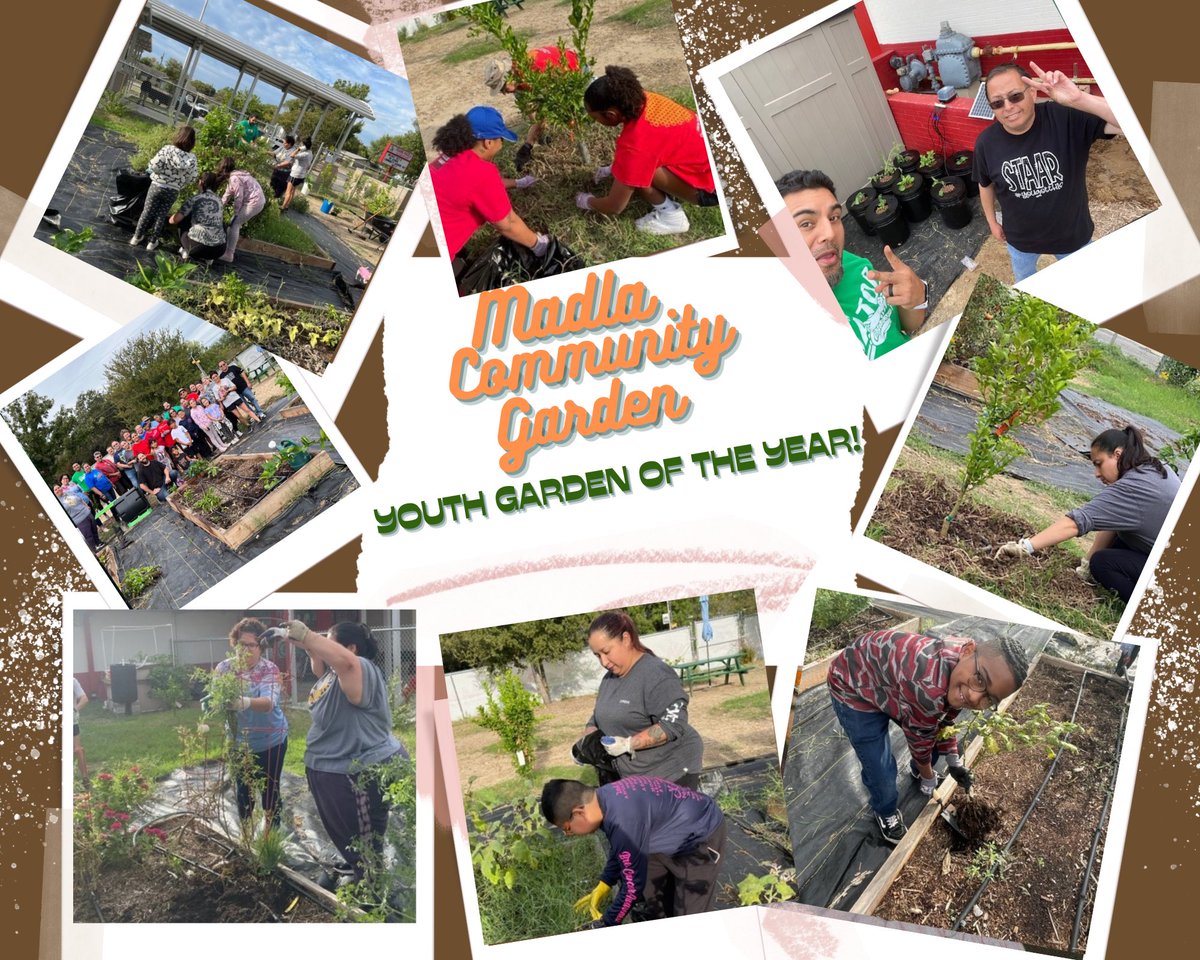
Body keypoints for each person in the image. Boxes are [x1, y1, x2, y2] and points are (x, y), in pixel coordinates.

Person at [827, 630, 1029, 844]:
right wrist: (928, 775)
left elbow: (944, 720)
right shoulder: (928, 684)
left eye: (989, 698)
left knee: (931, 742)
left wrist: (954, 761)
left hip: (894, 684)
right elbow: (919, 737)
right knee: (880, 770)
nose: (974, 696)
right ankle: (885, 811)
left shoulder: (965, 667)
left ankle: (918, 770)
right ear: (968, 651)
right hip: (853, 684)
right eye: (980, 679)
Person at [282, 619, 408, 883]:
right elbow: (322, 670)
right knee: (352, 835)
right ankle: (358, 867)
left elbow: (347, 664)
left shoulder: (360, 667)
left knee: (364, 839)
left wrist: (308, 635)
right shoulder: (334, 673)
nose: (324, 646)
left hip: (358, 770)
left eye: (330, 642)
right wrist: (310, 648)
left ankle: (372, 886)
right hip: (333, 766)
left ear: (351, 648)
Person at [995, 425, 1181, 603]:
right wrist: (1085, 565)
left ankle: (1157, 608)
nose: (1096, 474)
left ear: (1118, 454)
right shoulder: (1154, 468)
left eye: (1099, 464)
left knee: (1103, 563)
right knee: (1109, 550)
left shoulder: (1134, 488)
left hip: (1179, 578)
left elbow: (1075, 523)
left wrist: (1025, 547)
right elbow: (1113, 519)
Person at [973, 61, 1121, 283]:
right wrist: (992, 222)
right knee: (1026, 284)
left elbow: (1133, 122)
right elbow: (985, 184)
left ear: (1032, 92)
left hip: (1072, 237)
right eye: (997, 102)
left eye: (1015, 96)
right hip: (1021, 242)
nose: (1008, 107)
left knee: (1087, 284)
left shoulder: (1065, 117)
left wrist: (1080, 100)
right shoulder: (986, 143)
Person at [774, 169, 928, 359]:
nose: (830, 233)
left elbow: (903, 326)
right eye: (806, 223)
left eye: (833, 218)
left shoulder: (847, 262)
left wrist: (917, 299)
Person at [540, 775, 726, 926]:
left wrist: (606, 923)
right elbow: (622, 848)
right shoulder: (604, 798)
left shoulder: (623, 819)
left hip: (699, 836)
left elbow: (632, 887)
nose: (568, 834)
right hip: (661, 833)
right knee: (655, 901)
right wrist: (606, 882)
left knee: (691, 919)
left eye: (567, 828)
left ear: (579, 813)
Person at [576, 66, 719, 236]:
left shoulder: (634, 144)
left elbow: (614, 206)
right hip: (718, 160)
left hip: (713, 190)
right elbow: (651, 145)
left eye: (595, 117)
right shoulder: (646, 99)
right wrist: (616, 168)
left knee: (636, 172)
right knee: (635, 166)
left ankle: (672, 217)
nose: (595, 121)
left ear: (611, 114)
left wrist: (587, 201)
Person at [575, 611, 704, 789]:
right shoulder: (609, 679)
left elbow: (673, 724)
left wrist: (628, 744)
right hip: (633, 775)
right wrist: (587, 741)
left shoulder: (656, 674)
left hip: (670, 772)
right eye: (597, 655)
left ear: (626, 639)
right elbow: (598, 716)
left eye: (606, 652)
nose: (603, 662)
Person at [429, 107, 546, 273]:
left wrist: (518, 183)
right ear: (488, 142)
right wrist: (537, 244)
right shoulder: (481, 172)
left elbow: (471, 186)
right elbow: (508, 224)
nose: (501, 144)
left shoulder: (449, 155)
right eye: (501, 139)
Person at [214, 618, 289, 830]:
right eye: (241, 644)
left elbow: (269, 703)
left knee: (270, 791)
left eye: (251, 645)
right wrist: (215, 702)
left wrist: (243, 702)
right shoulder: (224, 668)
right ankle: (246, 833)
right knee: (243, 791)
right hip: (238, 742)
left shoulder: (269, 670)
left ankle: (271, 836)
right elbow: (217, 697)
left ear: (260, 647)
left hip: (271, 740)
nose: (245, 650)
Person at [482, 47, 583, 171]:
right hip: (551, 78)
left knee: (576, 115)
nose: (503, 93)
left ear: (508, 77)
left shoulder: (535, 71)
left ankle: (580, 151)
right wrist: (528, 146)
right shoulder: (516, 81)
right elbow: (534, 116)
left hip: (573, 69)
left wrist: (529, 142)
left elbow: (548, 109)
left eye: (503, 88)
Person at [131, 125, 198, 250]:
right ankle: (152, 242)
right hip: (173, 190)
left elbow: (153, 166)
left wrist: (161, 173)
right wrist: (180, 182)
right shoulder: (192, 159)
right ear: (192, 141)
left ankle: (137, 237)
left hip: (157, 186)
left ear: (178, 136)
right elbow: (192, 178)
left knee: (147, 212)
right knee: (161, 215)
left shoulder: (167, 149)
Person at [215, 157, 267, 263]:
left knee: (234, 224)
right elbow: (226, 195)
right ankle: (227, 250)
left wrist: (236, 212)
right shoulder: (236, 176)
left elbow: (239, 197)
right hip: (258, 201)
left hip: (254, 202)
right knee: (232, 225)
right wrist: (217, 208)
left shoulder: (235, 178)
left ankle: (229, 255)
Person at [169, 172, 227, 261]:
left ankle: (185, 250)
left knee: (184, 219)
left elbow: (174, 220)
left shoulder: (195, 199)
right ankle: (209, 258)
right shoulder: (219, 201)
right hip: (219, 251)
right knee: (221, 223)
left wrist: (173, 215)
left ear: (200, 182)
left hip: (196, 248)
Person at [56, 481, 100, 552]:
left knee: (94, 529)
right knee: (88, 535)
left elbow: (80, 499)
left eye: (58, 487)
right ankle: (94, 549)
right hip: (79, 519)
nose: (58, 490)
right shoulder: (57, 502)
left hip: (86, 512)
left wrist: (86, 506)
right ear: (54, 493)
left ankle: (98, 543)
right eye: (55, 490)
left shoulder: (69, 492)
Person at [281, 137, 314, 211]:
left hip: (295, 175)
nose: (300, 145)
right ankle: (287, 206)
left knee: (288, 191)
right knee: (292, 191)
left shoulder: (304, 154)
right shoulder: (310, 153)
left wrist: (298, 149)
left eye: (301, 144)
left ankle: (283, 206)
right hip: (301, 175)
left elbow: (292, 155)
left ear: (304, 145)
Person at [73, 678, 90, 788]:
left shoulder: (72, 681)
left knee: (77, 749)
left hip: (71, 721)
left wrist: (74, 709)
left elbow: (84, 699)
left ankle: (85, 777)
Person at [271, 135, 297, 199]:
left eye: (285, 143)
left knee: (279, 190)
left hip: (284, 173)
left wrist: (277, 166)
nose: (283, 144)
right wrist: (265, 152)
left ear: (289, 144)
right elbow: (274, 153)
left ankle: (274, 200)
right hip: (277, 170)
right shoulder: (283, 147)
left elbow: (287, 162)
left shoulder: (293, 151)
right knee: (272, 186)